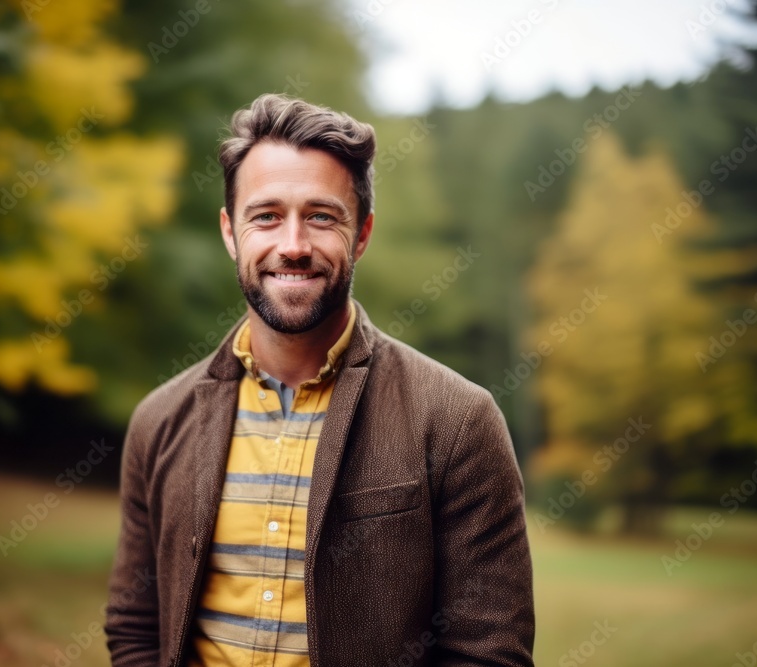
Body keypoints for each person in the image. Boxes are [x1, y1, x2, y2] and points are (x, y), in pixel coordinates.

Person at [105, 93, 535, 666]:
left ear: (361, 235)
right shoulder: (158, 422)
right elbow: (135, 628)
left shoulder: (457, 420)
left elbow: (488, 653)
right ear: (231, 233)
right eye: (266, 216)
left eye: (321, 216)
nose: (293, 245)